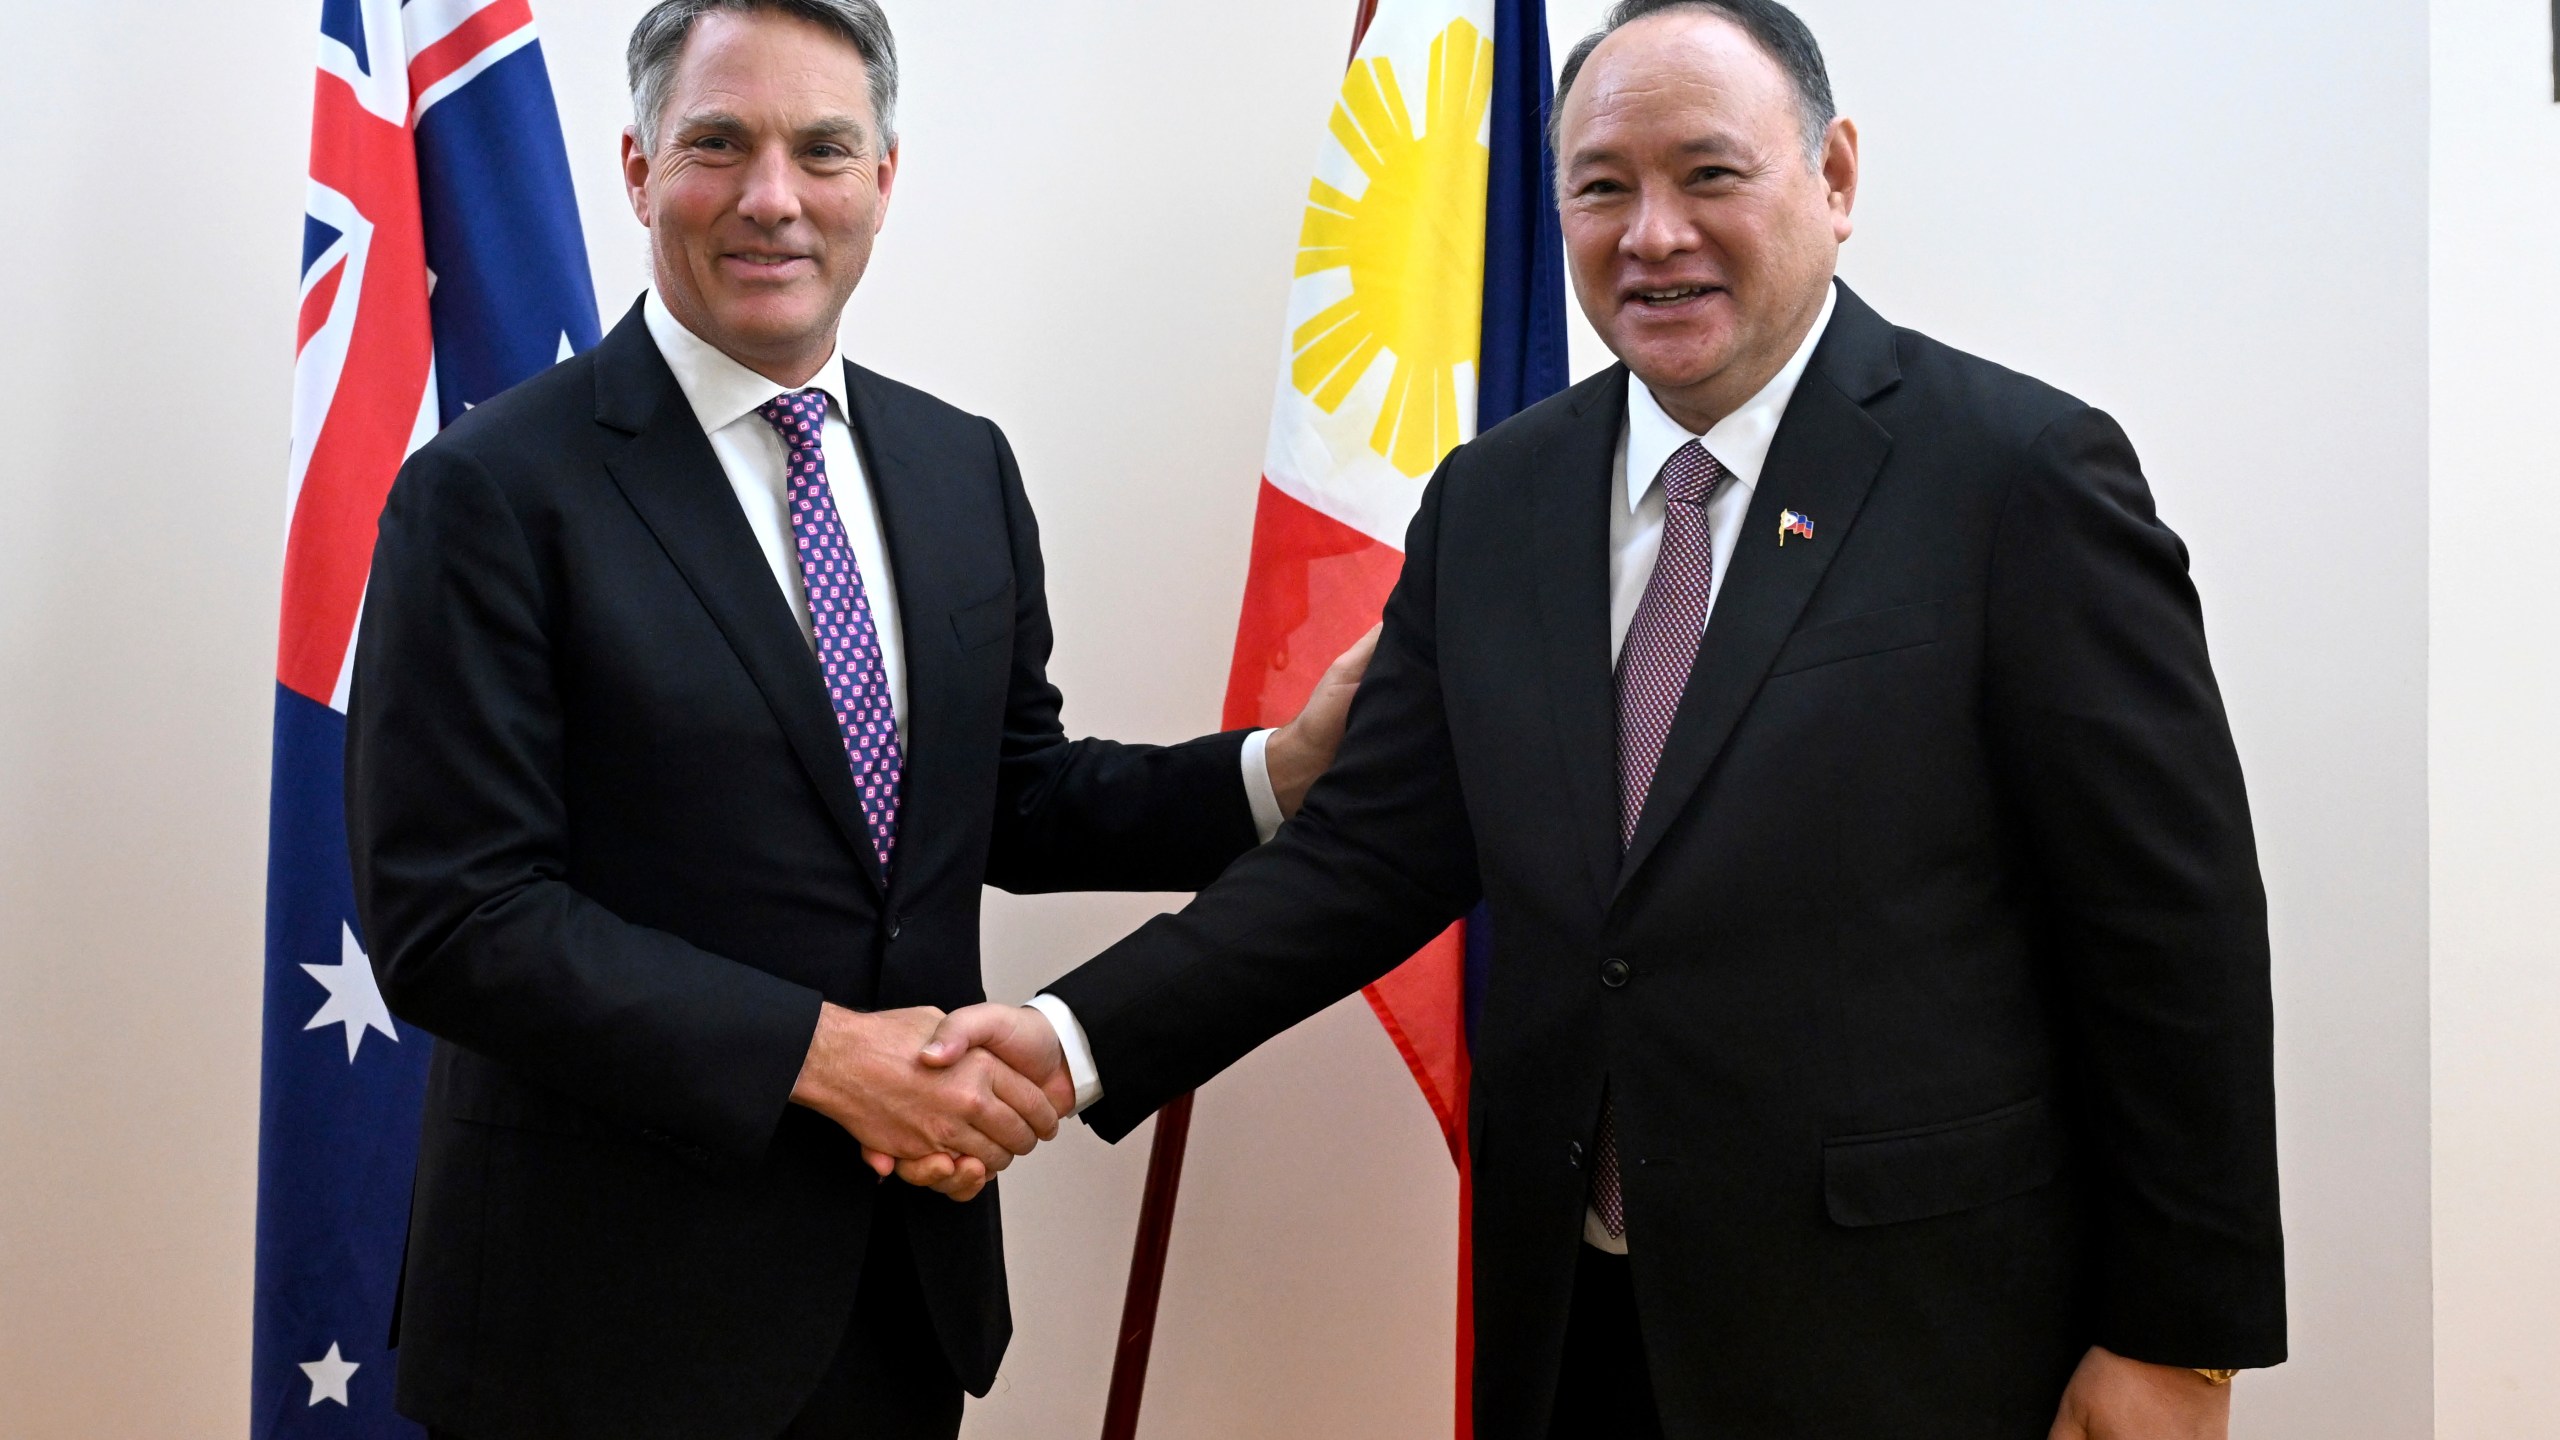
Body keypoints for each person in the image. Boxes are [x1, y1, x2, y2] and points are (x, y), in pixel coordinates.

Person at [910, 2, 2287, 1436]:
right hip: (1577, 1325)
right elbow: (1366, 861)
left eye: (1710, 174)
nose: (1653, 234)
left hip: (1913, 1330)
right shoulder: (1495, 501)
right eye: (1602, 186)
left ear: (1836, 178)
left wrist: (2177, 1346)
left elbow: (2166, 929)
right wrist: (1068, 1042)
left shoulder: (2019, 476)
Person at [343, 1, 1369, 1436]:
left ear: (885, 176)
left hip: (895, 1297)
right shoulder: (492, 492)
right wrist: (830, 1060)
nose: (773, 196)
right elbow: (456, 918)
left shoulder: (961, 470)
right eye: (719, 144)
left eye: (823, 149)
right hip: (594, 1324)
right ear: (638, 171)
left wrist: (1278, 773)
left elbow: (1006, 796)